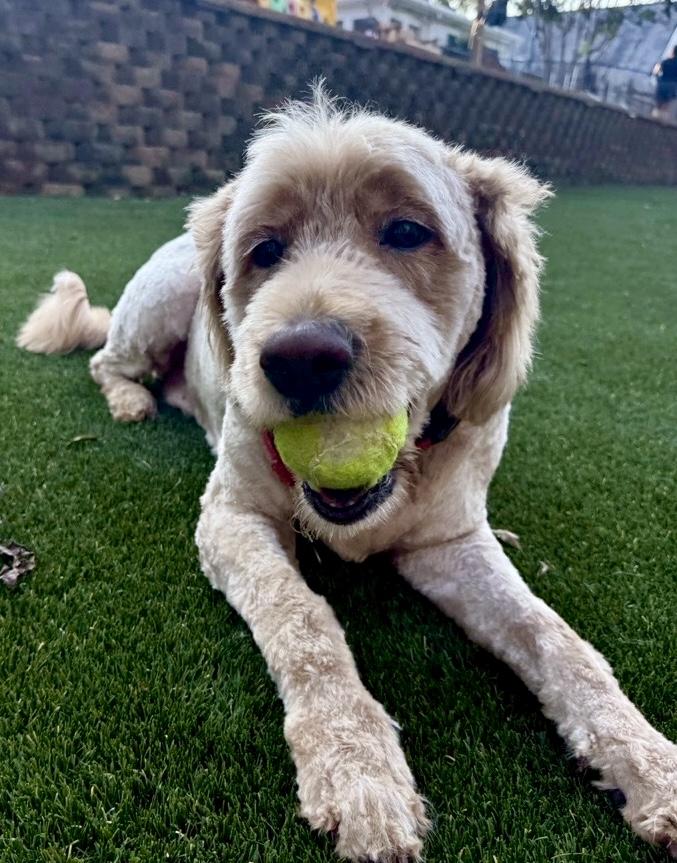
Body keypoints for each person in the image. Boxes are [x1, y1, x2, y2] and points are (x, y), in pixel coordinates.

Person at [653, 45, 677, 120]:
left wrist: (658, 79)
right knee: (666, 107)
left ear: (673, 52)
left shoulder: (665, 61)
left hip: (662, 84)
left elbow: (655, 72)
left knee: (658, 106)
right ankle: (663, 124)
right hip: (673, 86)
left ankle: (654, 121)